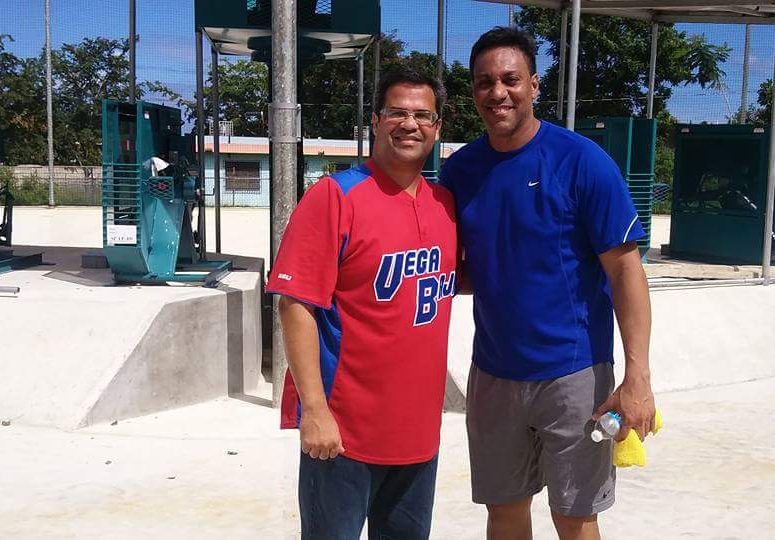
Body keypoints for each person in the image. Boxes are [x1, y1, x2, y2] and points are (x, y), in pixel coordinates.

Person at [439, 27, 656, 540]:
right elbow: (460, 268)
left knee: (575, 516)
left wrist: (638, 377)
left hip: (574, 376)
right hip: (493, 375)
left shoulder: (582, 161)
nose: (498, 92)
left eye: (510, 79)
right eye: (485, 82)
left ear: (534, 85)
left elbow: (626, 270)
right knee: (504, 512)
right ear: (473, 91)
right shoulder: (460, 171)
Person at [265, 68, 458, 540]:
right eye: (396, 112)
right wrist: (314, 411)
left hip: (418, 436)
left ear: (437, 127)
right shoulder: (336, 196)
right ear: (374, 121)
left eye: (422, 115)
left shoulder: (445, 204)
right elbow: (295, 305)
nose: (409, 124)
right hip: (343, 435)